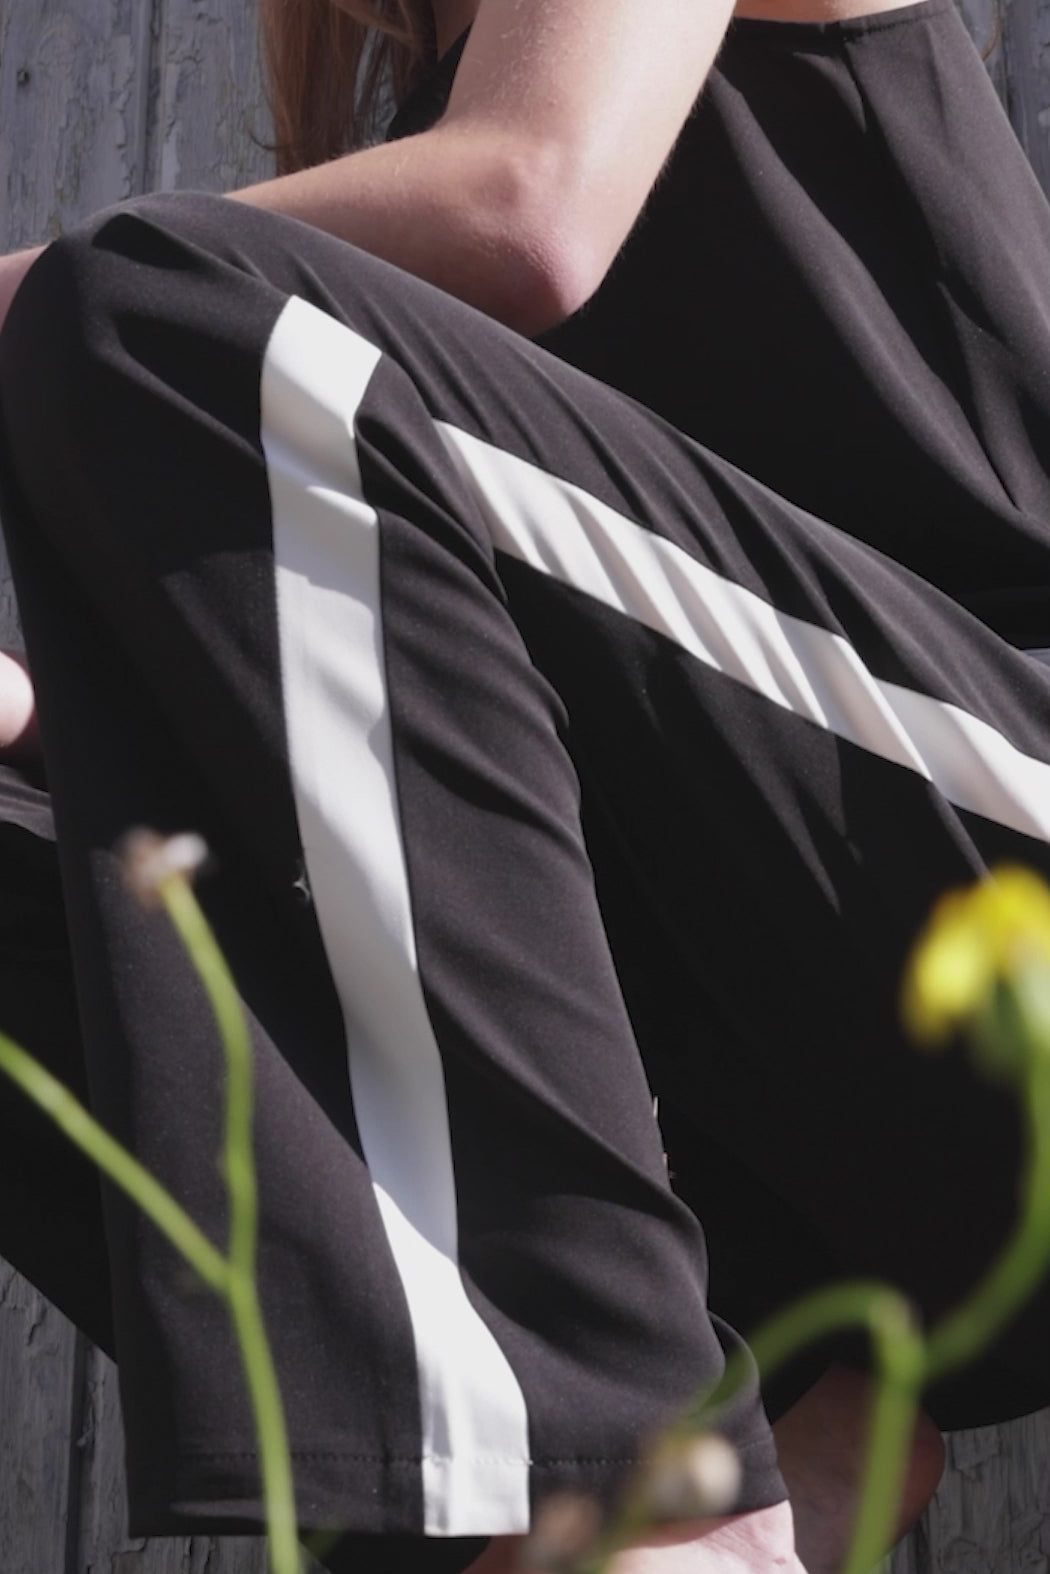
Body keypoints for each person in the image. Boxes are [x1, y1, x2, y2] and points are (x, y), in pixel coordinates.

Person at [0, 0, 1047, 1569]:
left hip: (988, 864)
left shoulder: (348, 259)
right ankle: (696, 1442)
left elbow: (528, 203)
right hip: (831, 1118)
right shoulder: (387, 158)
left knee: (163, 304)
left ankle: (634, 1450)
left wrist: (81, 307)